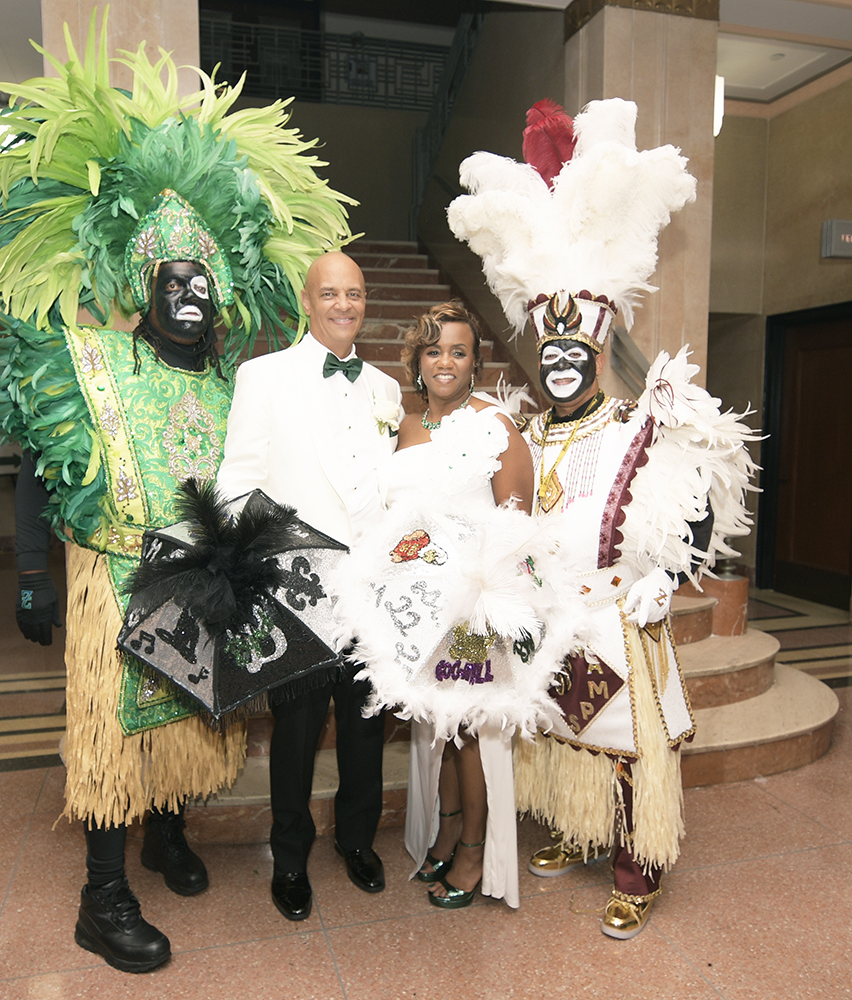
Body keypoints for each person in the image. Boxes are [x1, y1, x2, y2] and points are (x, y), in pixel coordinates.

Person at [0, 20, 353, 972]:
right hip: (108, 576)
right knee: (111, 733)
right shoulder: (89, 360)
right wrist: (30, 572)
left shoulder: (234, 382)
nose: (190, 297)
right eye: (173, 282)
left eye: (203, 284)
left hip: (196, 576)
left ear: (219, 294)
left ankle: (167, 833)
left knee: (185, 717)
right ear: (149, 283)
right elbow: (37, 460)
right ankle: (102, 899)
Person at [448, 97, 756, 937]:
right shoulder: (518, 430)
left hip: (621, 616)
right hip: (550, 617)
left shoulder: (639, 420)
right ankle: (582, 838)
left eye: (572, 353)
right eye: (546, 353)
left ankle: (638, 866)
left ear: (593, 355)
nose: (556, 364)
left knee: (627, 753)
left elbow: (710, 482)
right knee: (556, 736)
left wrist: (666, 573)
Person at [330, 301, 585, 909]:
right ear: (417, 359)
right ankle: (445, 830)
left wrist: (489, 607)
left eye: (459, 351)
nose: (445, 362)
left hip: (473, 609)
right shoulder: (409, 426)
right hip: (415, 607)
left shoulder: (497, 425)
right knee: (436, 722)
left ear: (476, 361)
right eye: (434, 350)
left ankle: (473, 850)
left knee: (468, 728)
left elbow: (518, 532)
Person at [216, 251, 402, 921]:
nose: (343, 305)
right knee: (295, 731)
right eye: (330, 293)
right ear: (307, 298)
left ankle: (356, 840)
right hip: (298, 595)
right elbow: (234, 482)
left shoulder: (386, 389)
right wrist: (269, 560)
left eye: (354, 293)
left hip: (371, 593)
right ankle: (290, 858)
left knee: (364, 723)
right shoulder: (262, 377)